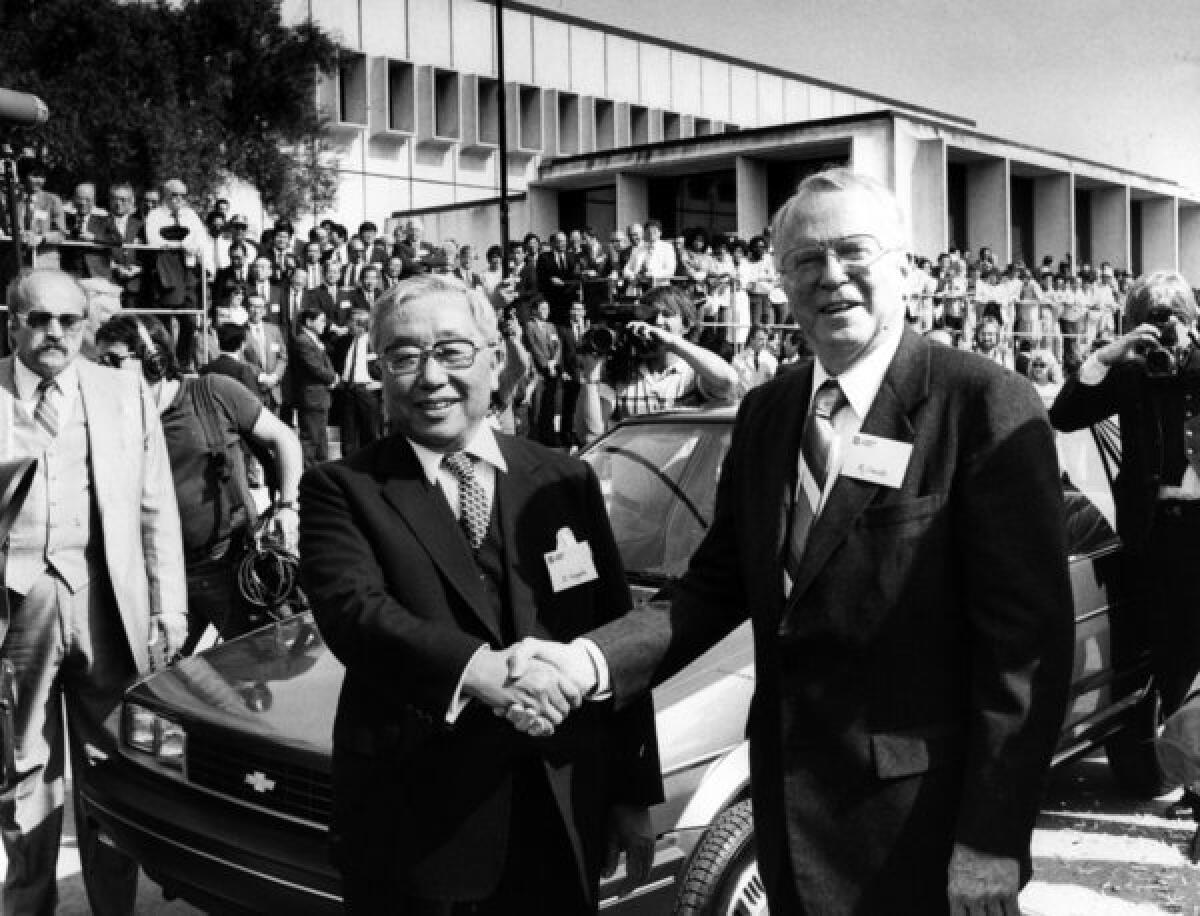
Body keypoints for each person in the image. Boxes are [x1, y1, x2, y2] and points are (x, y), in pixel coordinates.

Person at [511, 169, 1075, 914]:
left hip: (924, 830)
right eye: (806, 260)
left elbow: (1025, 649)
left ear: (902, 267)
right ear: (780, 282)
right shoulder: (768, 413)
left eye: (853, 252)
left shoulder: (983, 403)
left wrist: (993, 839)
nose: (831, 276)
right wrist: (587, 662)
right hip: (788, 816)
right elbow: (713, 589)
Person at [297, 274, 661, 914]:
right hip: (416, 827)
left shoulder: (563, 479)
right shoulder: (342, 488)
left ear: (496, 361)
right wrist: (485, 673)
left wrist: (631, 793)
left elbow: (614, 627)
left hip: (559, 806)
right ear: (380, 373)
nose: (429, 375)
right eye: (403, 357)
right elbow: (357, 614)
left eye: (452, 351)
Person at [0, 269, 187, 915]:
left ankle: (114, 909)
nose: (55, 332)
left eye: (68, 321)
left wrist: (168, 603)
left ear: (85, 324)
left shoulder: (121, 388)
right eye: (38, 319)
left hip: (108, 603)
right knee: (24, 775)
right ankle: (28, 906)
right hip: (17, 605)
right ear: (12, 322)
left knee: (113, 767)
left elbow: (154, 501)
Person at [1049, 270, 1200, 816]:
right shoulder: (1130, 373)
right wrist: (1111, 354)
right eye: (1150, 324)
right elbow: (1062, 415)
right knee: (1167, 660)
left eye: (1173, 321)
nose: (1164, 335)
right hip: (1150, 544)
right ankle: (1187, 776)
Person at [94, 313, 302, 655]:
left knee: (264, 673)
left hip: (229, 568)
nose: (102, 373)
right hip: (157, 581)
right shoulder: (109, 418)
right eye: (97, 362)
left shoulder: (213, 392)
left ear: (153, 358)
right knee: (154, 686)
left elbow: (284, 439)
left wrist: (288, 506)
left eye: (113, 361)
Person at [609, 284, 738, 419]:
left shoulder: (696, 373)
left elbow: (728, 380)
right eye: (651, 315)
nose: (658, 321)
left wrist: (671, 342)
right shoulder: (624, 371)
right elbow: (592, 433)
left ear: (686, 325)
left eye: (667, 314)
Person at [331, 305, 382, 456]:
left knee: (371, 432)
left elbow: (387, 364)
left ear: (361, 325)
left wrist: (382, 383)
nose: (347, 326)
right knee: (348, 434)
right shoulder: (344, 342)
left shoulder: (375, 343)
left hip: (368, 391)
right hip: (347, 390)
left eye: (350, 323)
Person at [291, 305, 338, 465]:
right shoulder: (303, 341)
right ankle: (308, 472)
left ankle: (320, 470)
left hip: (320, 395)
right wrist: (332, 378)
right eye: (321, 321)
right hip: (312, 396)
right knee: (311, 438)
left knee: (320, 437)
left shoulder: (315, 340)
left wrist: (333, 377)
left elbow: (324, 363)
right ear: (309, 322)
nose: (324, 324)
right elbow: (315, 367)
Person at [731, 323, 777, 393]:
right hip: (744, 400)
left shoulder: (772, 360)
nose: (764, 343)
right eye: (761, 339)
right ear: (751, 339)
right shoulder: (738, 359)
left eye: (765, 339)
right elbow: (734, 384)